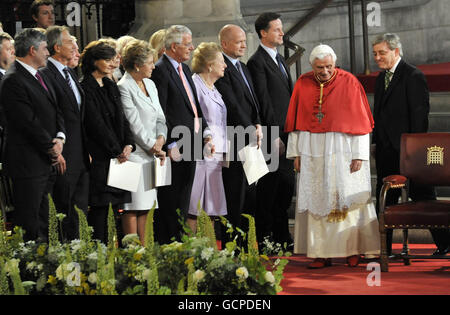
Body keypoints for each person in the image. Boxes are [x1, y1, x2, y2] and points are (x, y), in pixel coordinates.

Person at [285, 44, 380, 268]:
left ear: (334, 64)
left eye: (329, 66)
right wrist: (296, 154)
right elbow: (296, 123)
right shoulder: (302, 83)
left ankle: (353, 250)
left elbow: (361, 123)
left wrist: (360, 155)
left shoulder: (349, 82)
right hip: (313, 151)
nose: (325, 71)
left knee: (348, 199)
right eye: (320, 67)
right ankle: (321, 252)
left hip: (344, 151)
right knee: (318, 199)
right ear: (312, 65)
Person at [372, 33, 449, 256]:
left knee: (424, 196)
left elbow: (419, 117)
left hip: (410, 153)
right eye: (375, 53)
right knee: (384, 202)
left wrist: (414, 152)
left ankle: (445, 243)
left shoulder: (413, 76)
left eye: (382, 53)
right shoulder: (380, 78)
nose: (377, 57)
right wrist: (376, 142)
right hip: (387, 151)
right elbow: (378, 114)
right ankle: (384, 250)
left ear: (396, 51)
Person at [0, 28, 65, 241]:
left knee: (46, 222)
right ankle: (29, 271)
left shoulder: (40, 75)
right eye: (45, 48)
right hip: (27, 163)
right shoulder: (13, 80)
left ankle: (46, 268)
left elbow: (57, 109)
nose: (48, 53)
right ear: (32, 50)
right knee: (30, 224)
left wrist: (60, 138)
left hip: (45, 162)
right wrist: (50, 145)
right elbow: (27, 122)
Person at [151, 25, 210, 244]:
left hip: (192, 141)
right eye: (187, 44)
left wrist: (206, 133)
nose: (192, 48)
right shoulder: (160, 69)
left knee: (185, 196)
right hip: (175, 144)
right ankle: (170, 244)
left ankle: (181, 241)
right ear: (174, 46)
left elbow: (193, 105)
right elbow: (162, 110)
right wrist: (170, 142)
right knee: (171, 197)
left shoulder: (183, 68)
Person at [247, 12, 295, 249]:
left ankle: (282, 236)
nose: (282, 33)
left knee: (285, 189)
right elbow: (264, 102)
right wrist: (274, 136)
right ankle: (266, 238)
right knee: (269, 189)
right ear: (263, 33)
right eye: (276, 29)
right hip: (271, 137)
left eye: (281, 28)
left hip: (287, 133)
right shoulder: (257, 62)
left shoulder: (280, 59)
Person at [80, 41, 135, 243]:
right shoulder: (85, 87)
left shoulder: (111, 85)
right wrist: (116, 150)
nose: (113, 63)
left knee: (116, 209)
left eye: (114, 59)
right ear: (94, 61)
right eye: (108, 59)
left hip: (120, 155)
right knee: (101, 210)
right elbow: (95, 124)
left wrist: (129, 144)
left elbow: (122, 118)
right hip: (102, 157)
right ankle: (100, 252)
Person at [41, 25, 90, 241]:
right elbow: (50, 115)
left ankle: (81, 258)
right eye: (71, 42)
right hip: (63, 156)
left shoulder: (69, 72)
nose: (75, 46)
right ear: (56, 47)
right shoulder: (45, 74)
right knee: (64, 212)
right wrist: (56, 150)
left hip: (80, 156)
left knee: (80, 212)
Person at [215, 24, 262, 244]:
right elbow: (232, 104)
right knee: (235, 196)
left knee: (251, 196)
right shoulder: (221, 68)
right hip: (234, 140)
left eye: (244, 40)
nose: (244, 45)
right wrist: (250, 127)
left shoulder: (243, 67)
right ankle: (232, 245)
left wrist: (258, 124)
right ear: (224, 44)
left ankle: (246, 244)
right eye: (238, 41)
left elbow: (253, 101)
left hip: (252, 139)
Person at [117, 39, 167, 245]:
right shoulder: (123, 86)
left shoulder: (151, 84)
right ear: (137, 65)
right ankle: (132, 256)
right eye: (149, 62)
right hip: (133, 156)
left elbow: (160, 118)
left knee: (148, 206)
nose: (153, 66)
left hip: (153, 154)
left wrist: (161, 139)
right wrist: (152, 146)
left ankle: (146, 253)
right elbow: (132, 123)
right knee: (131, 208)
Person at [187, 42, 227, 233]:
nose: (225, 65)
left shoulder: (214, 87)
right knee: (196, 204)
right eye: (221, 61)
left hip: (216, 153)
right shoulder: (194, 83)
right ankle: (191, 249)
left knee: (212, 204)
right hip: (200, 150)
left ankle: (209, 248)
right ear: (209, 64)